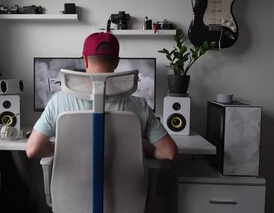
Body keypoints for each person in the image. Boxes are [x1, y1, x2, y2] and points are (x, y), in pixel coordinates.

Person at [26, 32, 177, 160]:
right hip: (127, 194)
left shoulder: (58, 101)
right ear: (117, 62)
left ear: (84, 60)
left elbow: (32, 150)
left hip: (71, 193)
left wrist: (59, 147)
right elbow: (169, 152)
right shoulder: (139, 106)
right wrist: (143, 148)